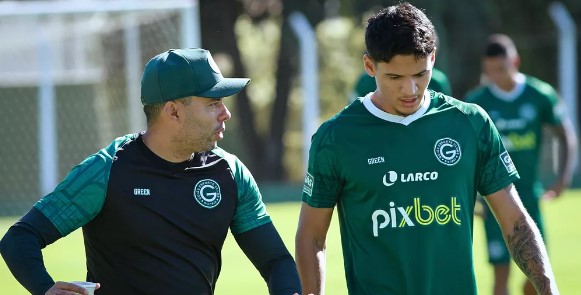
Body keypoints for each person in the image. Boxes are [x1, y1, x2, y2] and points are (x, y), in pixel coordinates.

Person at [295, 3, 559, 295]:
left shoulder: (471, 124)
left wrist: (548, 288)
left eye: (420, 74)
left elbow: (515, 222)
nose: (410, 90)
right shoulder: (335, 138)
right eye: (395, 77)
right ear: (370, 66)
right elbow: (312, 236)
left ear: (433, 58)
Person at [0, 48, 301, 295]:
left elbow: (276, 261)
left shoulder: (230, 173)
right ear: (173, 111)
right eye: (213, 103)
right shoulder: (107, 170)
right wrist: (45, 289)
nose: (226, 113)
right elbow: (20, 238)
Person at [466, 34, 577, 295]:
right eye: (490, 71)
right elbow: (465, 152)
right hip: (494, 196)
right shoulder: (477, 101)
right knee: (500, 275)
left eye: (501, 69)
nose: (496, 76)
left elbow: (566, 135)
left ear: (515, 61)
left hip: (529, 195)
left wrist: (563, 178)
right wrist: (471, 198)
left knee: (538, 272)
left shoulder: (539, 94)